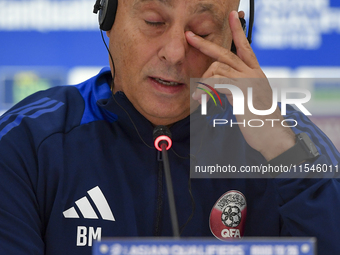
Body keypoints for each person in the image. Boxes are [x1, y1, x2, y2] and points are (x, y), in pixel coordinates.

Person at [0, 0, 339, 254]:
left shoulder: (286, 136)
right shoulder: (27, 142)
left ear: (233, 39)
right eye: (154, 21)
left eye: (202, 31)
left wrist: (282, 153)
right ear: (108, 15)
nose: (175, 53)